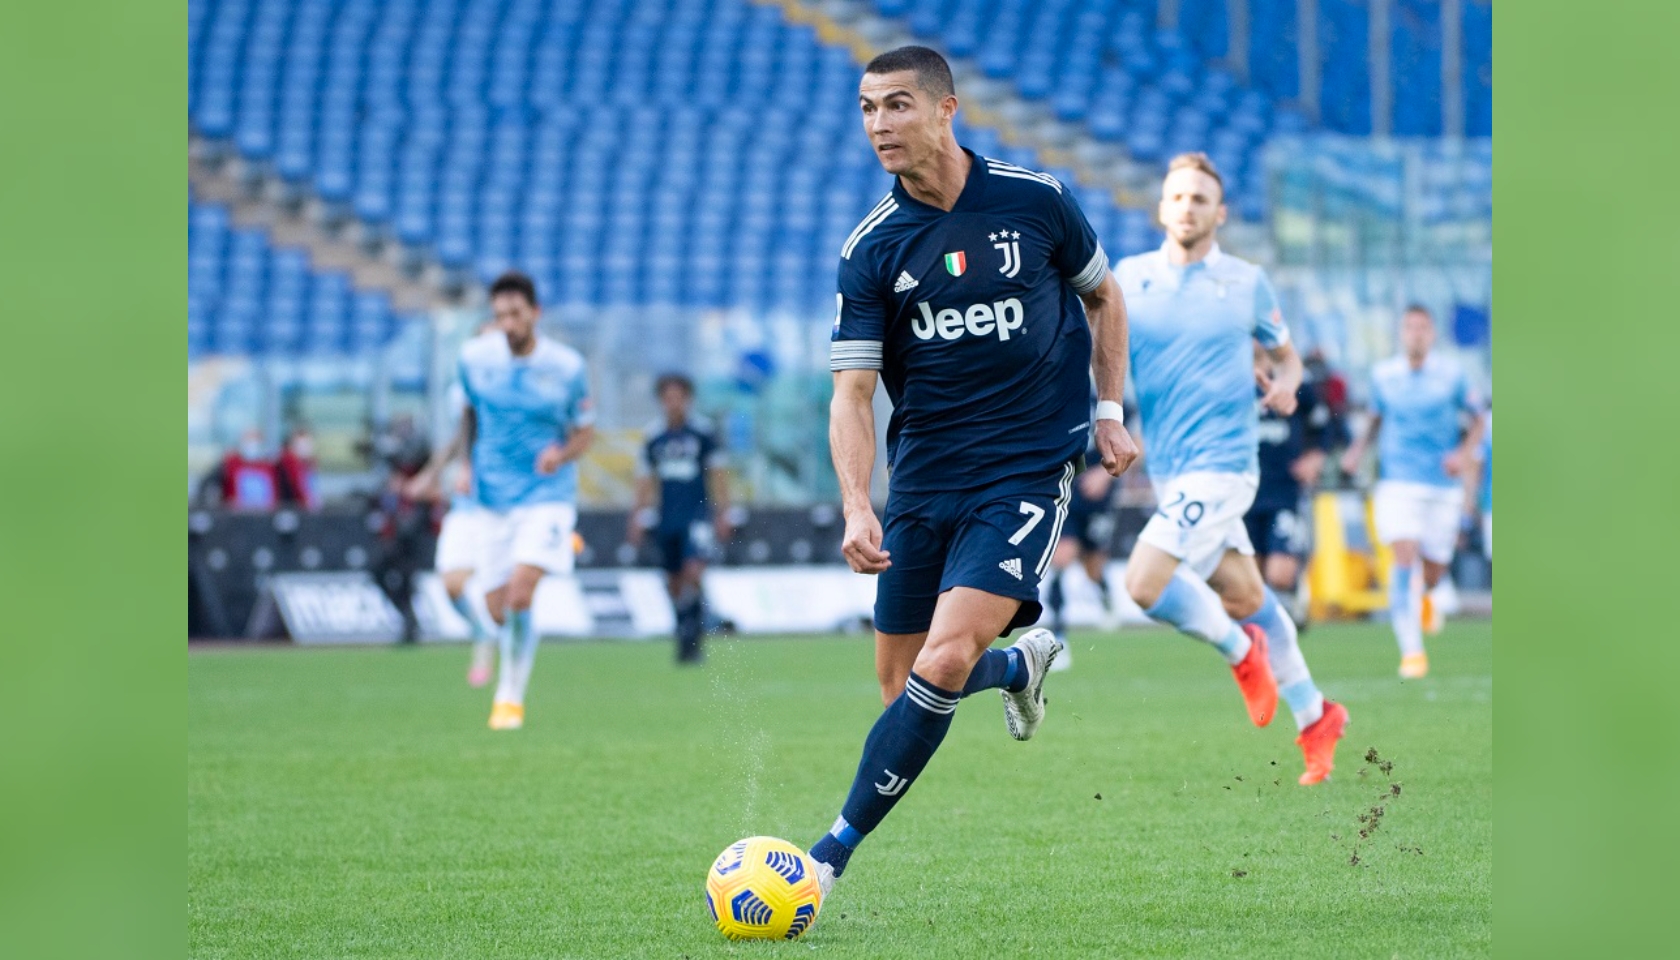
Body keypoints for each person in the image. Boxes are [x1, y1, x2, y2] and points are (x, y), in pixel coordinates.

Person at [809, 46, 1139, 896]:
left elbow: (1105, 296)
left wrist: (1108, 410)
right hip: (924, 479)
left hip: (1025, 469)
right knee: (902, 687)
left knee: (946, 658)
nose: (879, 124)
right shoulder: (873, 249)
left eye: (896, 106)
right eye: (867, 108)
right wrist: (856, 503)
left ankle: (823, 861)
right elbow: (851, 395)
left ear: (946, 108)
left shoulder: (1038, 202)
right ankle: (1021, 666)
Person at [1115, 153, 1348, 786]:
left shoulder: (1246, 283)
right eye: (1178, 196)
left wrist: (1286, 387)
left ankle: (1242, 653)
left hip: (1224, 467)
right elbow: (1095, 344)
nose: (1187, 207)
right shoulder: (1126, 280)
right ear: (1162, 208)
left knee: (1143, 583)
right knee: (1248, 596)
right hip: (1173, 469)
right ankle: (1316, 716)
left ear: (1220, 213)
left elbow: (1288, 357)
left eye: (1200, 198)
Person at [456, 271, 595, 730]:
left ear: (535, 314)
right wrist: (463, 465)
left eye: (515, 314)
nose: (508, 325)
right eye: (499, 317)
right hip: (492, 497)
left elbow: (585, 431)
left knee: (520, 592)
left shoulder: (567, 366)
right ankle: (552, 553)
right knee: (497, 607)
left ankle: (509, 698)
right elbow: (468, 415)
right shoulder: (475, 359)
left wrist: (562, 453)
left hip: (546, 495)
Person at [1340, 306, 1481, 679]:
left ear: (1432, 334)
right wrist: (1356, 452)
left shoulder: (1452, 375)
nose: (1416, 334)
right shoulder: (1384, 375)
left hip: (1440, 485)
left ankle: (1427, 595)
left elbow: (1480, 418)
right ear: (1402, 334)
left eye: (1423, 327)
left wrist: (1463, 455)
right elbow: (1375, 418)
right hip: (1397, 481)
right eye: (1410, 328)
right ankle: (1412, 653)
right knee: (1403, 555)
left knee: (1433, 570)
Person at [627, 373, 732, 665]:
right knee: (673, 580)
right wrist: (636, 515)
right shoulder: (654, 437)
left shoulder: (703, 433)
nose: (673, 403)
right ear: (661, 401)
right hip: (667, 517)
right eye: (668, 398)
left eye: (678, 397)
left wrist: (723, 512)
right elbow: (644, 479)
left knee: (693, 570)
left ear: (688, 399)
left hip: (697, 515)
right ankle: (682, 630)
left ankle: (693, 634)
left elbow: (718, 473)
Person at [407, 369, 498, 686]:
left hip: (500, 507)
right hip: (466, 506)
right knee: (452, 583)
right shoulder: (469, 387)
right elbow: (460, 437)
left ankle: (492, 653)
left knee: (497, 586)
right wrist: (432, 475)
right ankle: (484, 633)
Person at [1245, 344, 1346, 625]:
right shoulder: (1232, 378)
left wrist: (1314, 458)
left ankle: (1294, 589)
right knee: (1253, 578)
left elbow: (1325, 426)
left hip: (1284, 491)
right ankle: (1270, 627)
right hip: (1245, 492)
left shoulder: (1293, 379)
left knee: (1279, 573)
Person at [1041, 455, 1121, 667]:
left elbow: (1134, 444)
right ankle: (1059, 637)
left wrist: (1105, 474)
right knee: (1061, 559)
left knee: (1093, 568)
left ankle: (1105, 594)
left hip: (1097, 496)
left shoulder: (1114, 420)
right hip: (1065, 489)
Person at [276, 425, 321, 510]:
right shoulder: (289, 463)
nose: (304, 448)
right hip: (292, 510)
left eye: (307, 444)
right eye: (300, 444)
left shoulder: (309, 466)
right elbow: (299, 492)